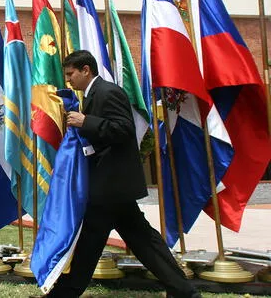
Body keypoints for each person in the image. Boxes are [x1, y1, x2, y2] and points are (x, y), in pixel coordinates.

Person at [47, 50, 199, 298]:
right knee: (141, 241)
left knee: (93, 242)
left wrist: (86, 122)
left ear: (86, 70)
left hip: (110, 185)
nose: (68, 80)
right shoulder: (93, 94)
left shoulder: (108, 92)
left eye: (70, 74)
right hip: (110, 186)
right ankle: (184, 291)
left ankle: (64, 294)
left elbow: (123, 130)